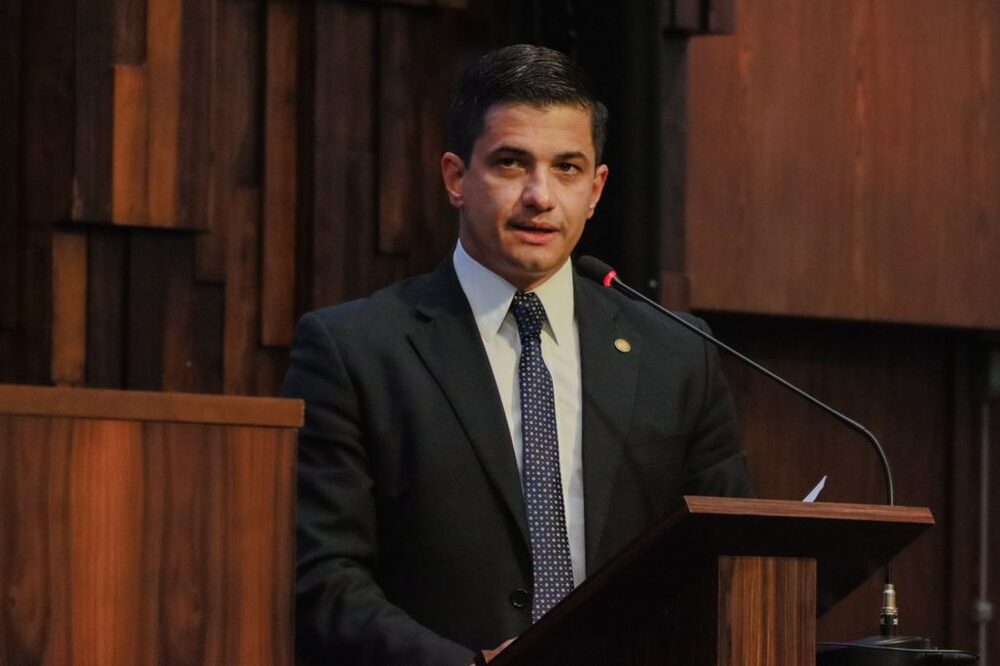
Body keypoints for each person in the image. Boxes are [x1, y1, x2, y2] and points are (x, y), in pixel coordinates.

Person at [283, 44, 751, 666]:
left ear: (596, 188)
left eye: (567, 168)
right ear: (456, 177)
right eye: (511, 163)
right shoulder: (355, 351)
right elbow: (323, 581)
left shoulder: (677, 352)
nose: (540, 195)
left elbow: (735, 562)